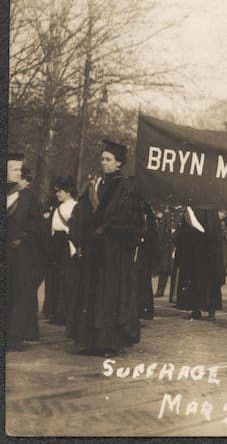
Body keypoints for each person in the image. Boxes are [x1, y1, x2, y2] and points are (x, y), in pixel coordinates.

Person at [66, 140, 144, 355]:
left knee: (109, 294)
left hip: (114, 250)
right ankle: (90, 340)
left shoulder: (126, 186)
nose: (103, 163)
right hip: (94, 249)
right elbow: (81, 212)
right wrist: (80, 235)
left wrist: (105, 228)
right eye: (102, 159)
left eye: (108, 159)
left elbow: (129, 217)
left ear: (119, 163)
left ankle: (109, 343)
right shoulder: (95, 185)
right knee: (92, 292)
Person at [7, 153, 44, 351]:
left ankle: (15, 336)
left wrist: (22, 238)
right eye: (13, 169)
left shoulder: (28, 197)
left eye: (19, 170)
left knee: (17, 294)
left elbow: (35, 224)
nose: (17, 173)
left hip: (21, 253)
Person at [175, 206, 226, 320]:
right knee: (199, 281)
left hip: (202, 253)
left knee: (204, 281)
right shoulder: (199, 210)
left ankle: (204, 310)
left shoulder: (203, 209)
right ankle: (201, 309)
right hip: (200, 253)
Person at [43, 176, 80, 324]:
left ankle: (64, 313)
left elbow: (75, 229)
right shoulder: (58, 207)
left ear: (69, 192)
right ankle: (53, 311)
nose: (57, 194)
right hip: (56, 243)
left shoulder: (75, 206)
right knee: (54, 276)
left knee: (66, 278)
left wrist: (74, 246)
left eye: (60, 191)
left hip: (66, 243)